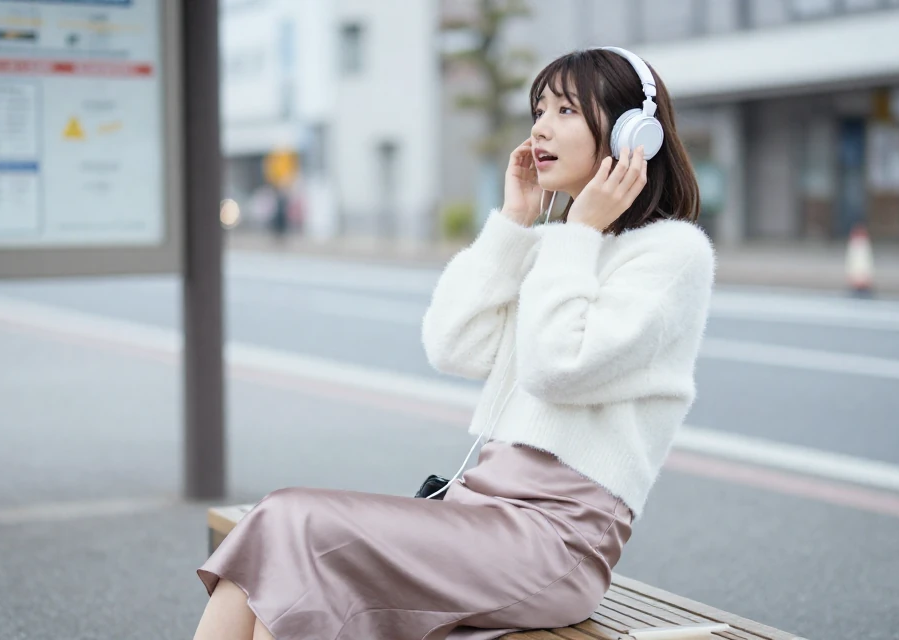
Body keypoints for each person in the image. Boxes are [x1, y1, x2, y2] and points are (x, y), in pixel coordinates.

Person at [191, 46, 715, 640]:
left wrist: (578, 233)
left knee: (291, 521)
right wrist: (515, 224)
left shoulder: (671, 254)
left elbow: (556, 368)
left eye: (566, 110)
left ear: (632, 136)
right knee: (275, 535)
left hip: (556, 543)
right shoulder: (561, 247)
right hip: (477, 517)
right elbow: (453, 345)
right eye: (538, 109)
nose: (540, 127)